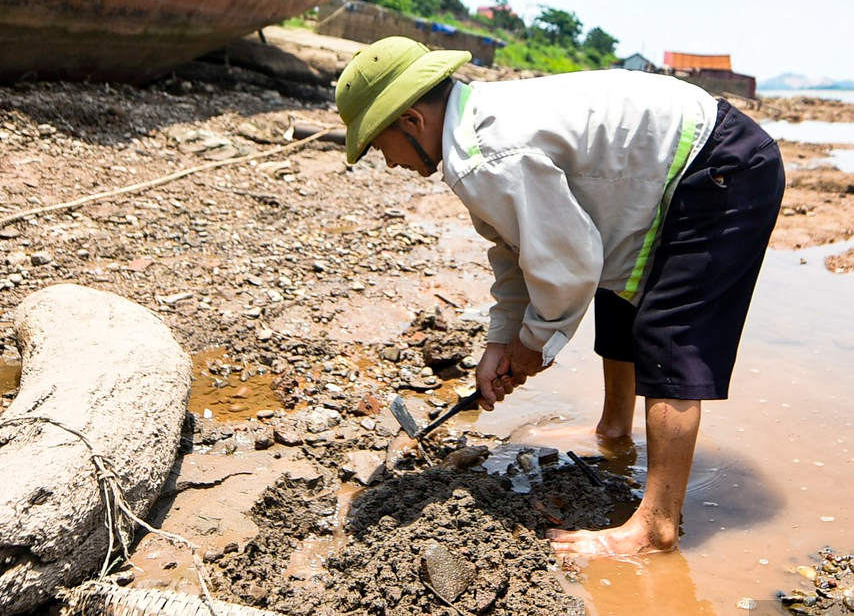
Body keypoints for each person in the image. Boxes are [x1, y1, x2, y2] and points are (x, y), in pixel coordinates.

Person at [335, 36, 785, 556]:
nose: (387, 162)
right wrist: (501, 342)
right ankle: (615, 431)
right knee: (618, 291)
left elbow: (568, 266)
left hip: (722, 166)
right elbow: (517, 249)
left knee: (669, 331)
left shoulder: (485, 155)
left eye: (377, 145)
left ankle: (656, 526)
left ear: (412, 120)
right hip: (673, 169)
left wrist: (534, 347)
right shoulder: (471, 133)